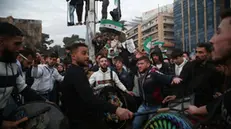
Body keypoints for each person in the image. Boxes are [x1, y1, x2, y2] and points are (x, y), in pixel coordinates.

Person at [61, 43, 133, 129]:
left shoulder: (78, 72)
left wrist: (125, 91)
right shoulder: (76, 73)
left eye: (87, 53)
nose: (87, 56)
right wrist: (116, 109)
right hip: (81, 121)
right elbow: (89, 98)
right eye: (84, 53)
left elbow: (118, 83)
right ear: (73, 56)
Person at [186, 9, 231, 128]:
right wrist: (197, 110)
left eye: (218, 32)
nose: (212, 40)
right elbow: (219, 103)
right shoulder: (192, 66)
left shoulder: (213, 69)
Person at [0, 22, 46, 129]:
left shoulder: (13, 65)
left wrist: (45, 102)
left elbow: (24, 89)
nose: (21, 49)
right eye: (16, 44)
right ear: (1, 42)